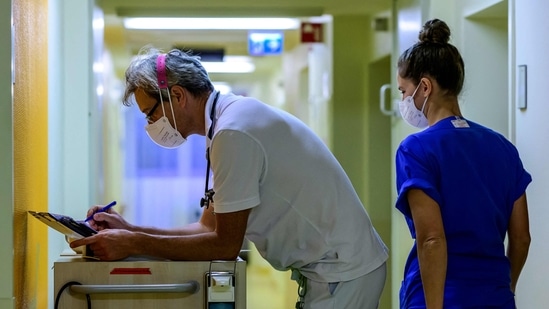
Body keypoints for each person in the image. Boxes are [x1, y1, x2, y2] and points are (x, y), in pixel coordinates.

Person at [70, 47, 389, 308]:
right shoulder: (226, 124)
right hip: (332, 269)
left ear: (178, 96)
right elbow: (206, 226)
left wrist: (134, 242)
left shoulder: (234, 132)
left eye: (150, 113)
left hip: (343, 270)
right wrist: (129, 228)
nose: (150, 124)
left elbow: (224, 244)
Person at [394, 19, 531, 309]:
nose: (403, 100)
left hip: (441, 297)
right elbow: (521, 238)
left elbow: (431, 239)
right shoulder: (504, 148)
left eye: (404, 91)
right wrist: (506, 287)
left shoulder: (415, 149)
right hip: (495, 297)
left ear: (425, 87)